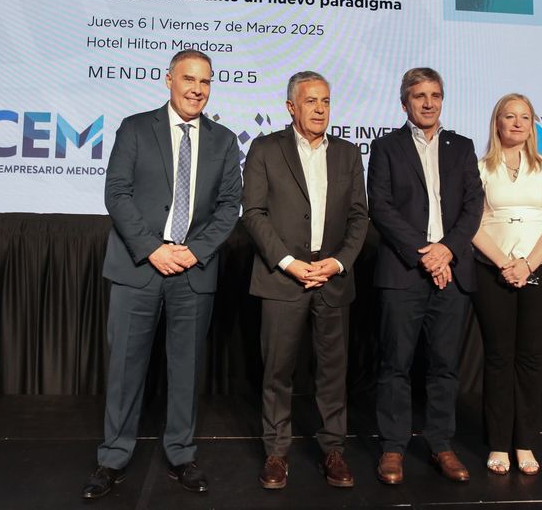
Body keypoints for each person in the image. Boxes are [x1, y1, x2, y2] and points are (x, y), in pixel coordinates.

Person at [82, 50, 242, 500]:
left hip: (193, 271)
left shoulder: (224, 140)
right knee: (125, 370)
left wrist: (193, 252)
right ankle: (112, 458)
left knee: (186, 370)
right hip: (139, 268)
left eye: (206, 81)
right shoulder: (135, 128)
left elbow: (231, 206)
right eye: (189, 79)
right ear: (168, 79)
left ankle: (182, 454)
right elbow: (117, 192)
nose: (197, 89)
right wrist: (153, 249)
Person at [242, 71, 369, 490]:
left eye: (326, 101)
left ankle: (333, 450)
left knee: (333, 373)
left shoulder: (349, 154)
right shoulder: (265, 148)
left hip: (331, 278)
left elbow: (358, 217)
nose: (320, 109)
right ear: (291, 107)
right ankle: (277, 454)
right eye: (311, 101)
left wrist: (337, 263)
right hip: (283, 278)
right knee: (277, 372)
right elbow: (254, 213)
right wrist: (287, 262)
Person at [367, 67, 483, 485]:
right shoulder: (385, 147)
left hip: (453, 271)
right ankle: (393, 448)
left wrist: (447, 250)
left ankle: (441, 445)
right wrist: (426, 254)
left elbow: (474, 206)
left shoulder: (463, 147)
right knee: (395, 365)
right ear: (405, 103)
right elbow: (379, 206)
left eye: (435, 95)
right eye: (420, 96)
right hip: (403, 273)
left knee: (444, 365)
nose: (429, 102)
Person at [470, 93, 542, 477]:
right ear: (497, 123)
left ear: (532, 124)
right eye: (509, 116)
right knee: (497, 358)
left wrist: (527, 264)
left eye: (524, 117)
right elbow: (472, 224)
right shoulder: (479, 169)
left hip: (540, 268)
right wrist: (504, 264)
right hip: (493, 269)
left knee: (530, 358)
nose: (517, 123)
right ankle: (497, 445)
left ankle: (524, 442)